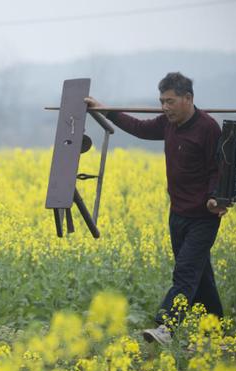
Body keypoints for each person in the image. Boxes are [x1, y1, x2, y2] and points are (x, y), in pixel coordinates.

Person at [85, 72, 228, 345]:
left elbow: (218, 169)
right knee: (201, 276)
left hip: (203, 216)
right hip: (178, 214)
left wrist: (214, 197)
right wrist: (104, 109)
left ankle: (166, 327)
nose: (165, 107)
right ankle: (216, 334)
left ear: (188, 99)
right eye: (162, 101)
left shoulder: (208, 128)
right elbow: (139, 127)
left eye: (170, 101)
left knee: (185, 272)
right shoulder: (167, 124)